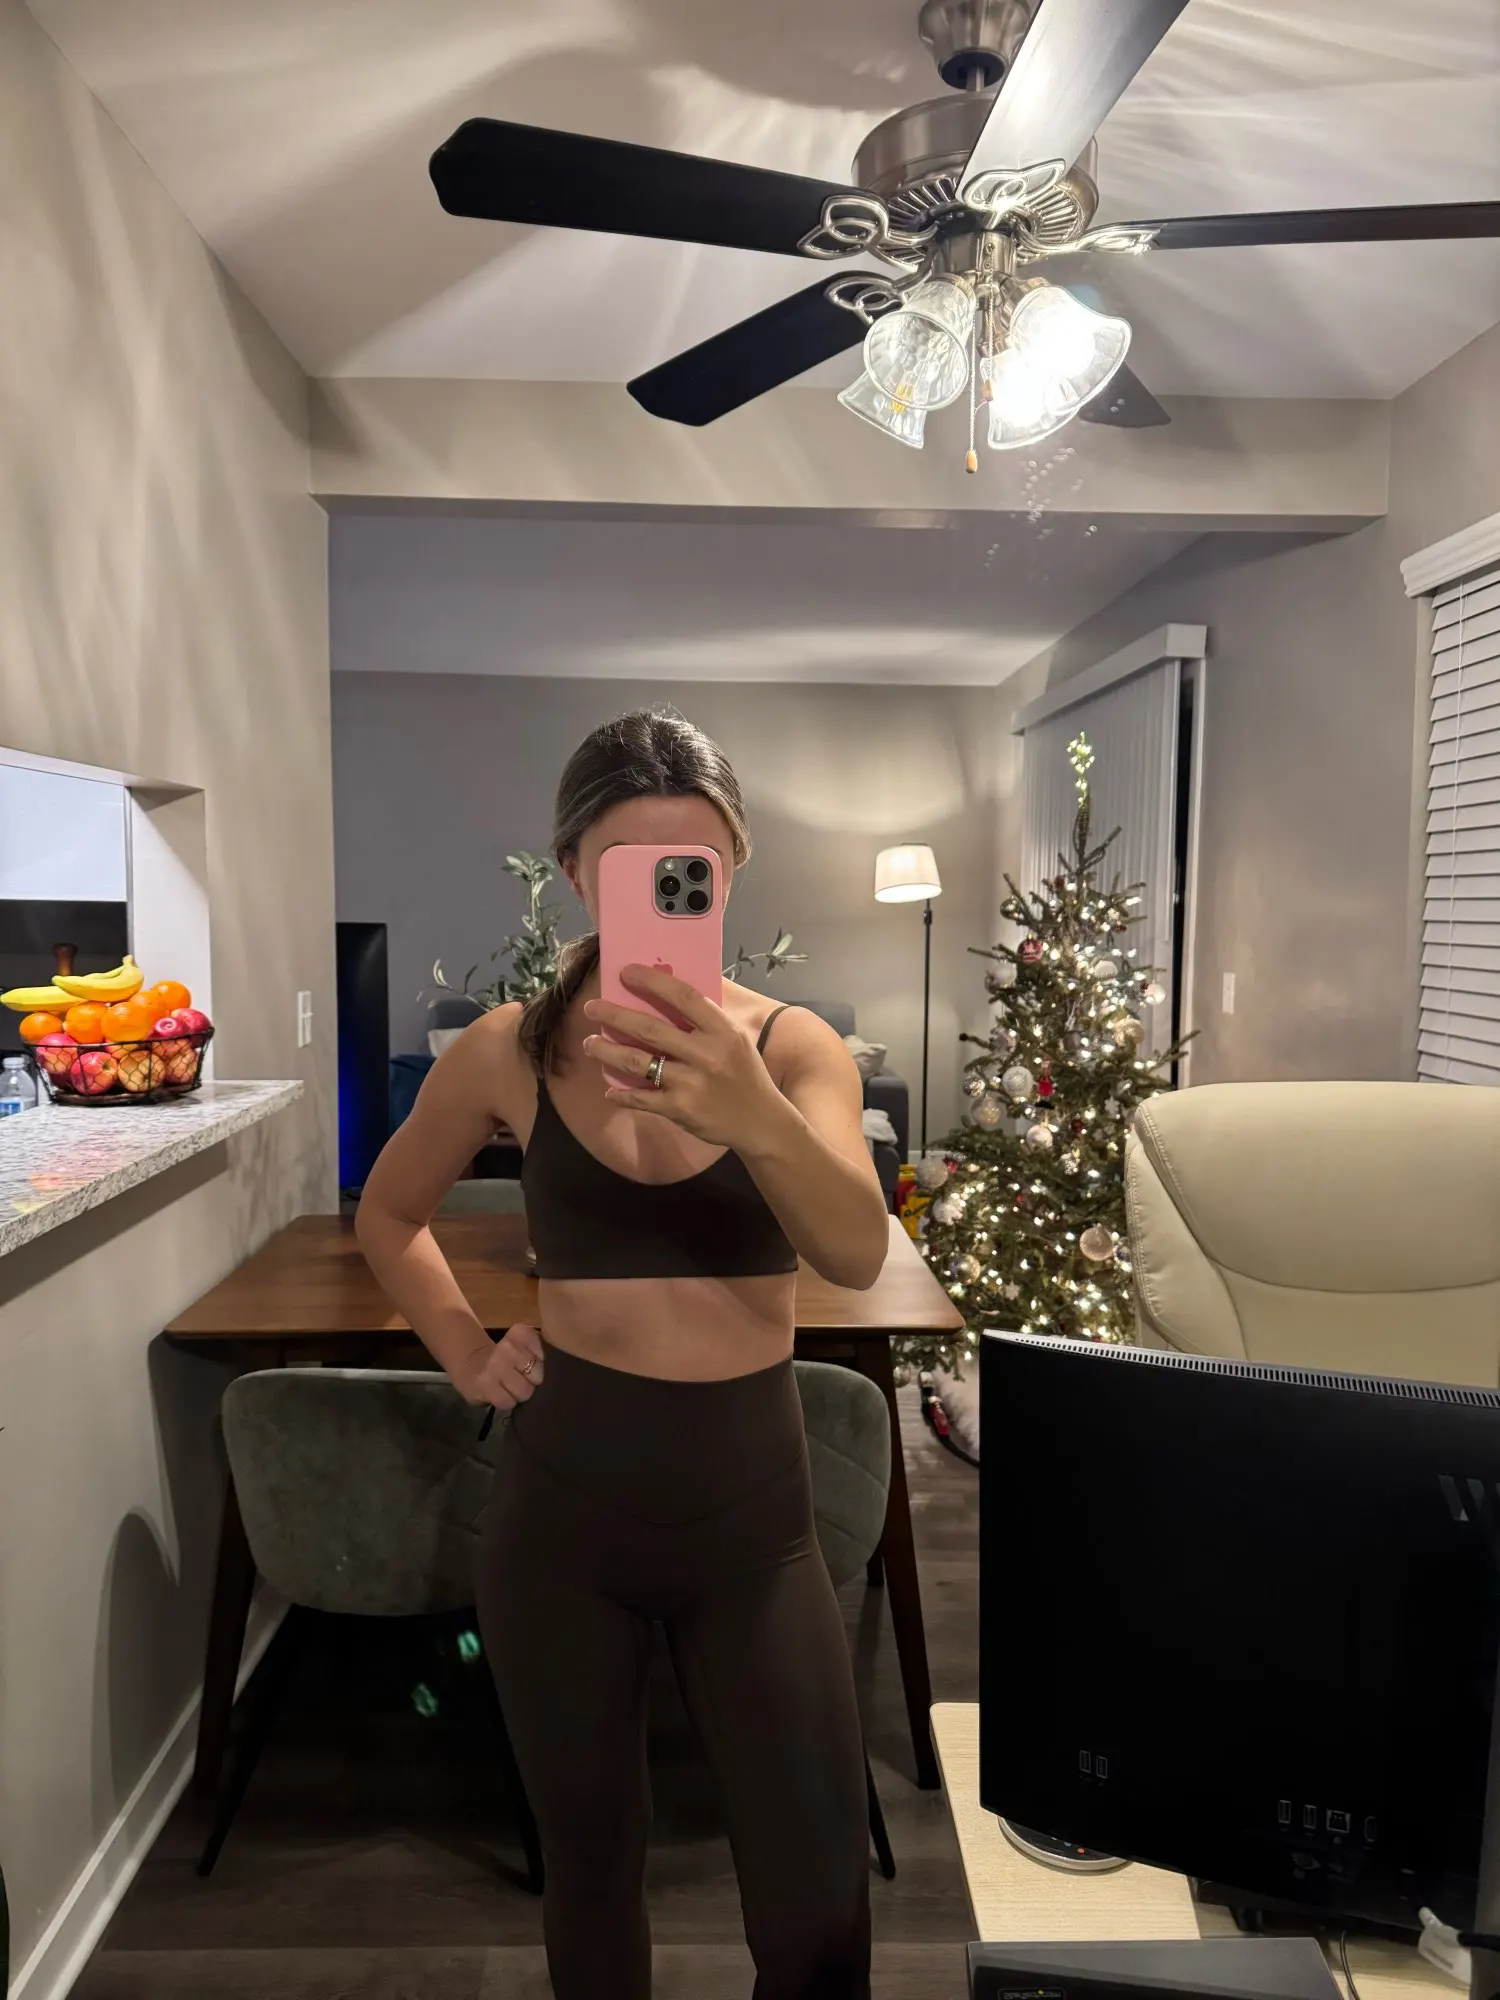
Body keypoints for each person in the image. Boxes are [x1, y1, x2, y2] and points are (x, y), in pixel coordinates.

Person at [356, 708, 891, 2000]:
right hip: (563, 1523)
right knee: (592, 1880)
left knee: (820, 1915)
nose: (663, 894)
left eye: (690, 870)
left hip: (753, 1533)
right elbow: (388, 1214)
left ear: (731, 872)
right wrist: (466, 1354)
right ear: (576, 876)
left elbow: (856, 1251)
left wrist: (753, 1112)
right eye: (631, 869)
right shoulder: (512, 1049)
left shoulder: (792, 1050)